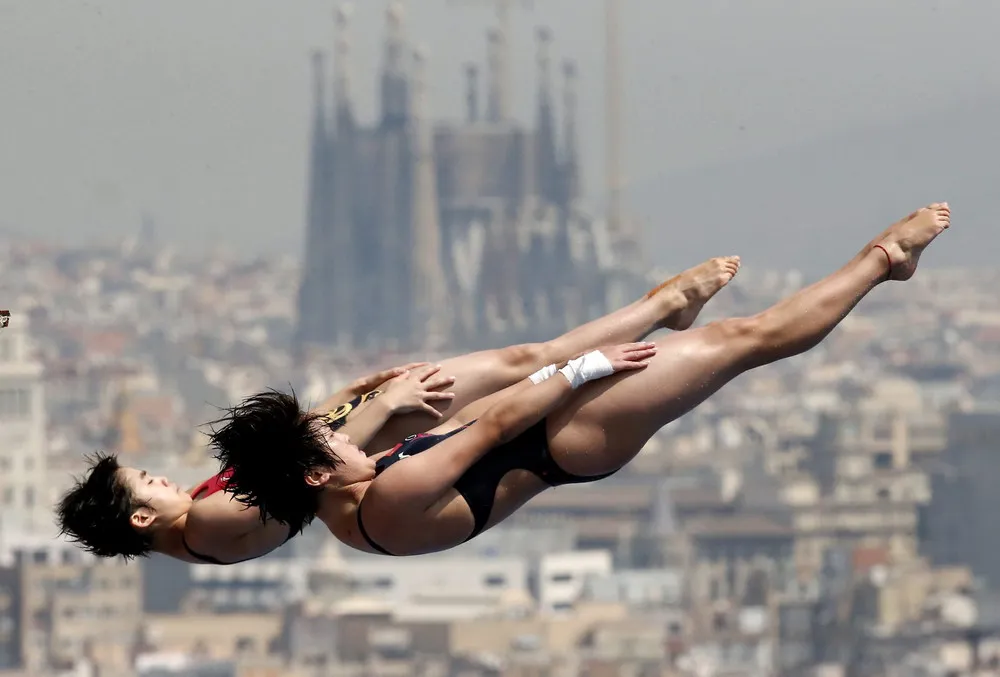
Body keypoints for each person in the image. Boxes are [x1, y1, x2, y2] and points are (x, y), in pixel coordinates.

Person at [212, 204, 950, 557]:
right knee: (743, 341)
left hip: (544, 420)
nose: (339, 425)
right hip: (566, 435)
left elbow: (473, 416)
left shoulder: (347, 500)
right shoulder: (386, 495)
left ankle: (669, 305)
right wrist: (585, 368)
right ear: (313, 470)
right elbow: (496, 424)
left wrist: (372, 401)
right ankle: (886, 258)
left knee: (729, 341)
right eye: (325, 435)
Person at [56, 258, 736, 563]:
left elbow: (282, 448)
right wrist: (379, 405)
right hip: (360, 455)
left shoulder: (197, 523)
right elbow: (300, 468)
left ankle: (664, 309)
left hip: (350, 437)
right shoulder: (204, 521)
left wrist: (352, 392)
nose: (159, 476)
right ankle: (659, 310)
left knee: (525, 360)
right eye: (145, 481)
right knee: (530, 367)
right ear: (140, 515)